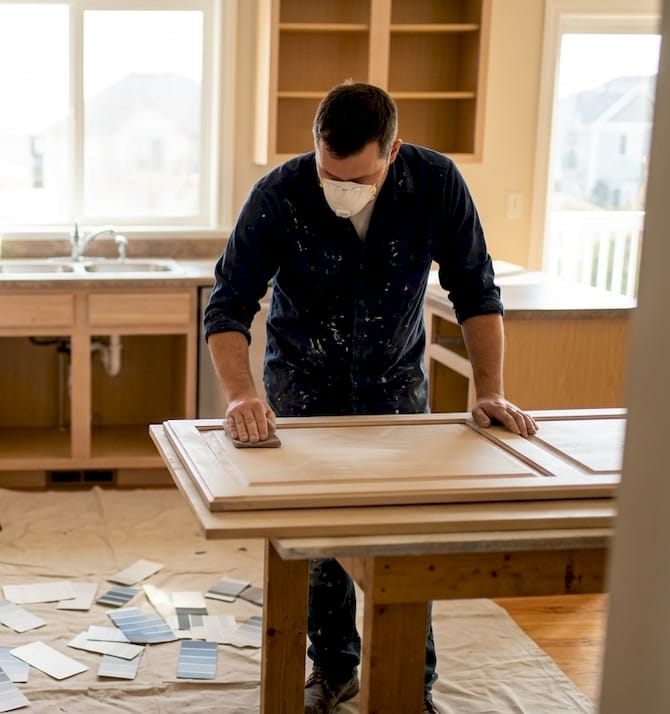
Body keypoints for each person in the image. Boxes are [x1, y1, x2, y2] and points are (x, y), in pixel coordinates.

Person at [203, 82, 539, 714]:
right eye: (330, 173)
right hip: (301, 385)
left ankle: (412, 685)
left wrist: (489, 390)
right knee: (318, 544)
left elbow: (476, 290)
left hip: (394, 386)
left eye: (357, 177)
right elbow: (227, 304)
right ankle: (334, 670)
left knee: (406, 541)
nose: (340, 188)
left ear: (394, 151)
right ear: (315, 147)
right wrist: (242, 394)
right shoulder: (279, 194)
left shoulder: (435, 183)